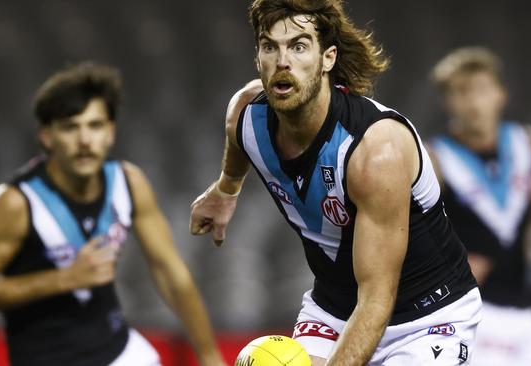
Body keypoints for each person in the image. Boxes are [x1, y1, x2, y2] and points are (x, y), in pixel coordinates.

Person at [190, 1, 482, 364]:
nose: (283, 61)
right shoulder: (246, 117)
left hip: (426, 318)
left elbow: (377, 298)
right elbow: (238, 141)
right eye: (270, 47)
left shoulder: (375, 150)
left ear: (327, 58)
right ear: (258, 57)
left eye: (298, 46)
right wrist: (226, 189)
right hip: (333, 311)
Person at [0, 62, 226, 366]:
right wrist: (64, 279)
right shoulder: (15, 202)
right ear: (47, 136)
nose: (85, 140)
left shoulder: (128, 182)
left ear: (110, 132)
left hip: (120, 353)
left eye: (95, 125)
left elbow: (170, 272)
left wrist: (209, 356)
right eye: (70, 127)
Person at [428, 46, 531, 365]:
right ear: (448, 101)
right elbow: (415, 231)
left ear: (501, 94)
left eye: (483, 90)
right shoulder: (435, 157)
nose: (474, 102)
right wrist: (451, 264)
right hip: (470, 309)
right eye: (462, 92)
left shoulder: (525, 141)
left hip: (524, 307)